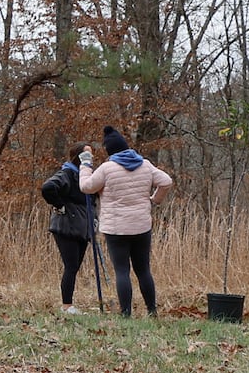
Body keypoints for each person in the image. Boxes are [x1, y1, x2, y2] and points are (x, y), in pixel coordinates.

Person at [78, 126, 172, 318]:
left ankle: (126, 313)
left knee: (122, 271)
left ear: (110, 151)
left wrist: (85, 164)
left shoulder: (107, 169)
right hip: (141, 225)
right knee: (143, 269)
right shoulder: (145, 165)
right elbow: (166, 181)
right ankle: (152, 310)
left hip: (116, 228)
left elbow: (86, 187)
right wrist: (155, 199)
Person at [41, 144, 97, 314]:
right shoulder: (67, 173)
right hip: (67, 226)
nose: (91, 158)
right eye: (87, 154)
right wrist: (60, 206)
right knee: (71, 266)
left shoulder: (85, 176)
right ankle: (67, 306)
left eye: (92, 154)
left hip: (82, 227)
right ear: (78, 156)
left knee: (74, 266)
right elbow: (48, 188)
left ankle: (69, 305)